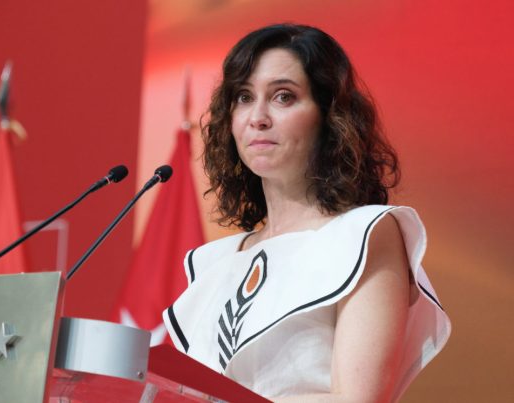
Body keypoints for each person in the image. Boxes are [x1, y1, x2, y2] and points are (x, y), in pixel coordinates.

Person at [163, 24, 451, 402]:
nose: (257, 117)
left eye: (283, 97)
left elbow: (357, 399)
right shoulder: (214, 261)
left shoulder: (364, 235)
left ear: (329, 116)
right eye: (244, 97)